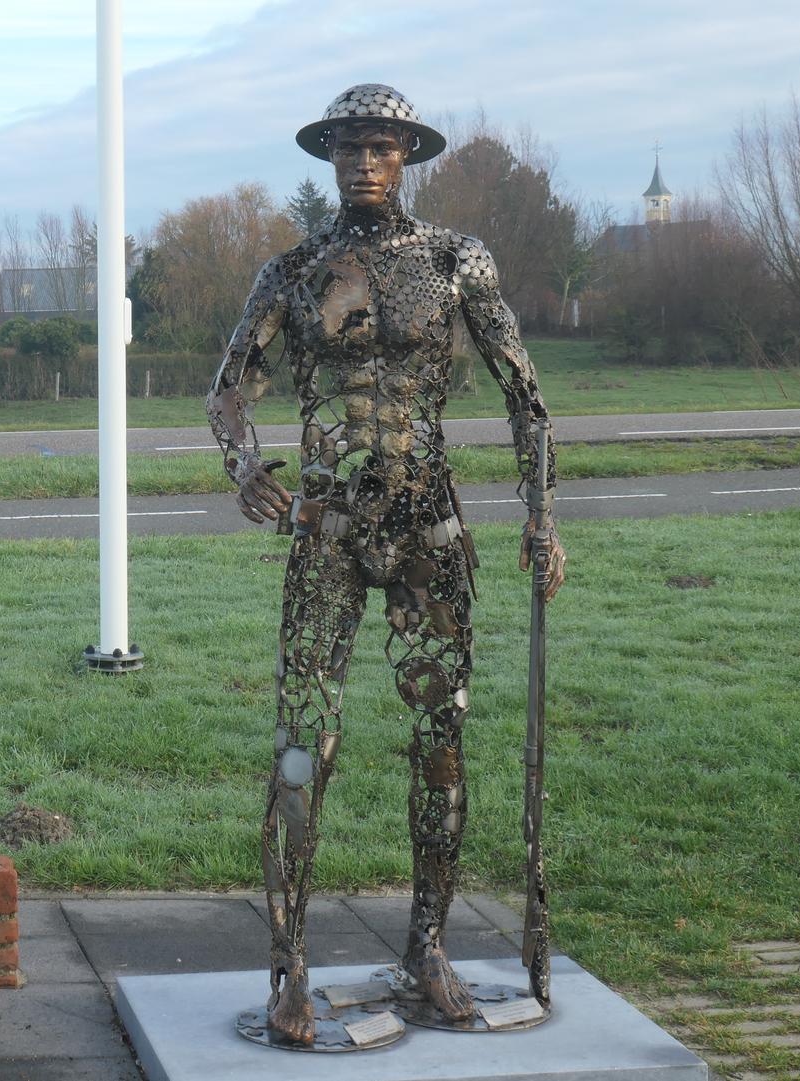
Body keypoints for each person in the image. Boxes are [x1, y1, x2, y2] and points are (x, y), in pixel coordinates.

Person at [206, 83, 568, 1045]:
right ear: (328, 156)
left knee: (441, 739)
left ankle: (427, 946)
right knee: (303, 742)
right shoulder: (293, 271)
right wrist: (245, 467)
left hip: (425, 523)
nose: (365, 162)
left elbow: (524, 394)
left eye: (381, 147)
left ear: (407, 155)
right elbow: (228, 388)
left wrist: (543, 518)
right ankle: (289, 963)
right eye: (349, 147)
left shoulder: (454, 261)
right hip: (327, 521)